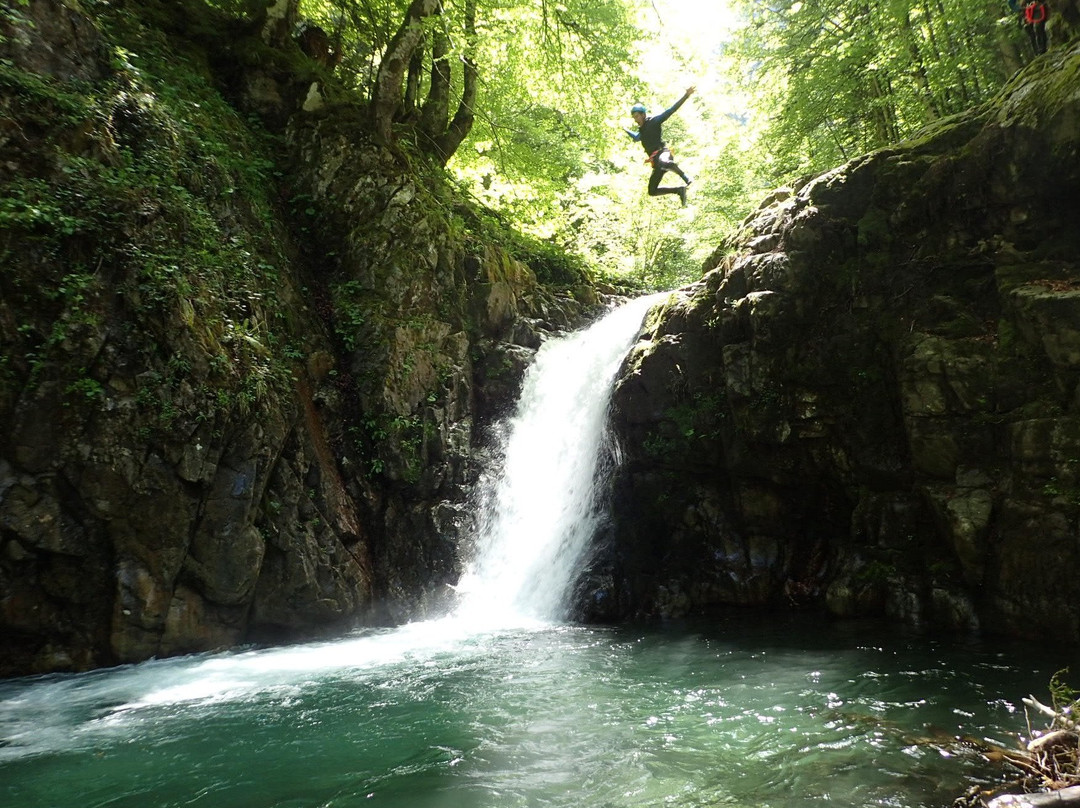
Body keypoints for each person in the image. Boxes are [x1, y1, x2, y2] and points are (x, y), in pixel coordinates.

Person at [624, 86, 696, 207]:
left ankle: (686, 177)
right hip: (656, 163)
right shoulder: (642, 131)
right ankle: (679, 190)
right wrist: (624, 129)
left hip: (664, 153)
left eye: (637, 116)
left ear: (643, 114)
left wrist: (686, 95)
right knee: (652, 191)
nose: (635, 120)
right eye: (634, 117)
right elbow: (636, 137)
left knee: (664, 161)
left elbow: (671, 110)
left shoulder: (654, 121)